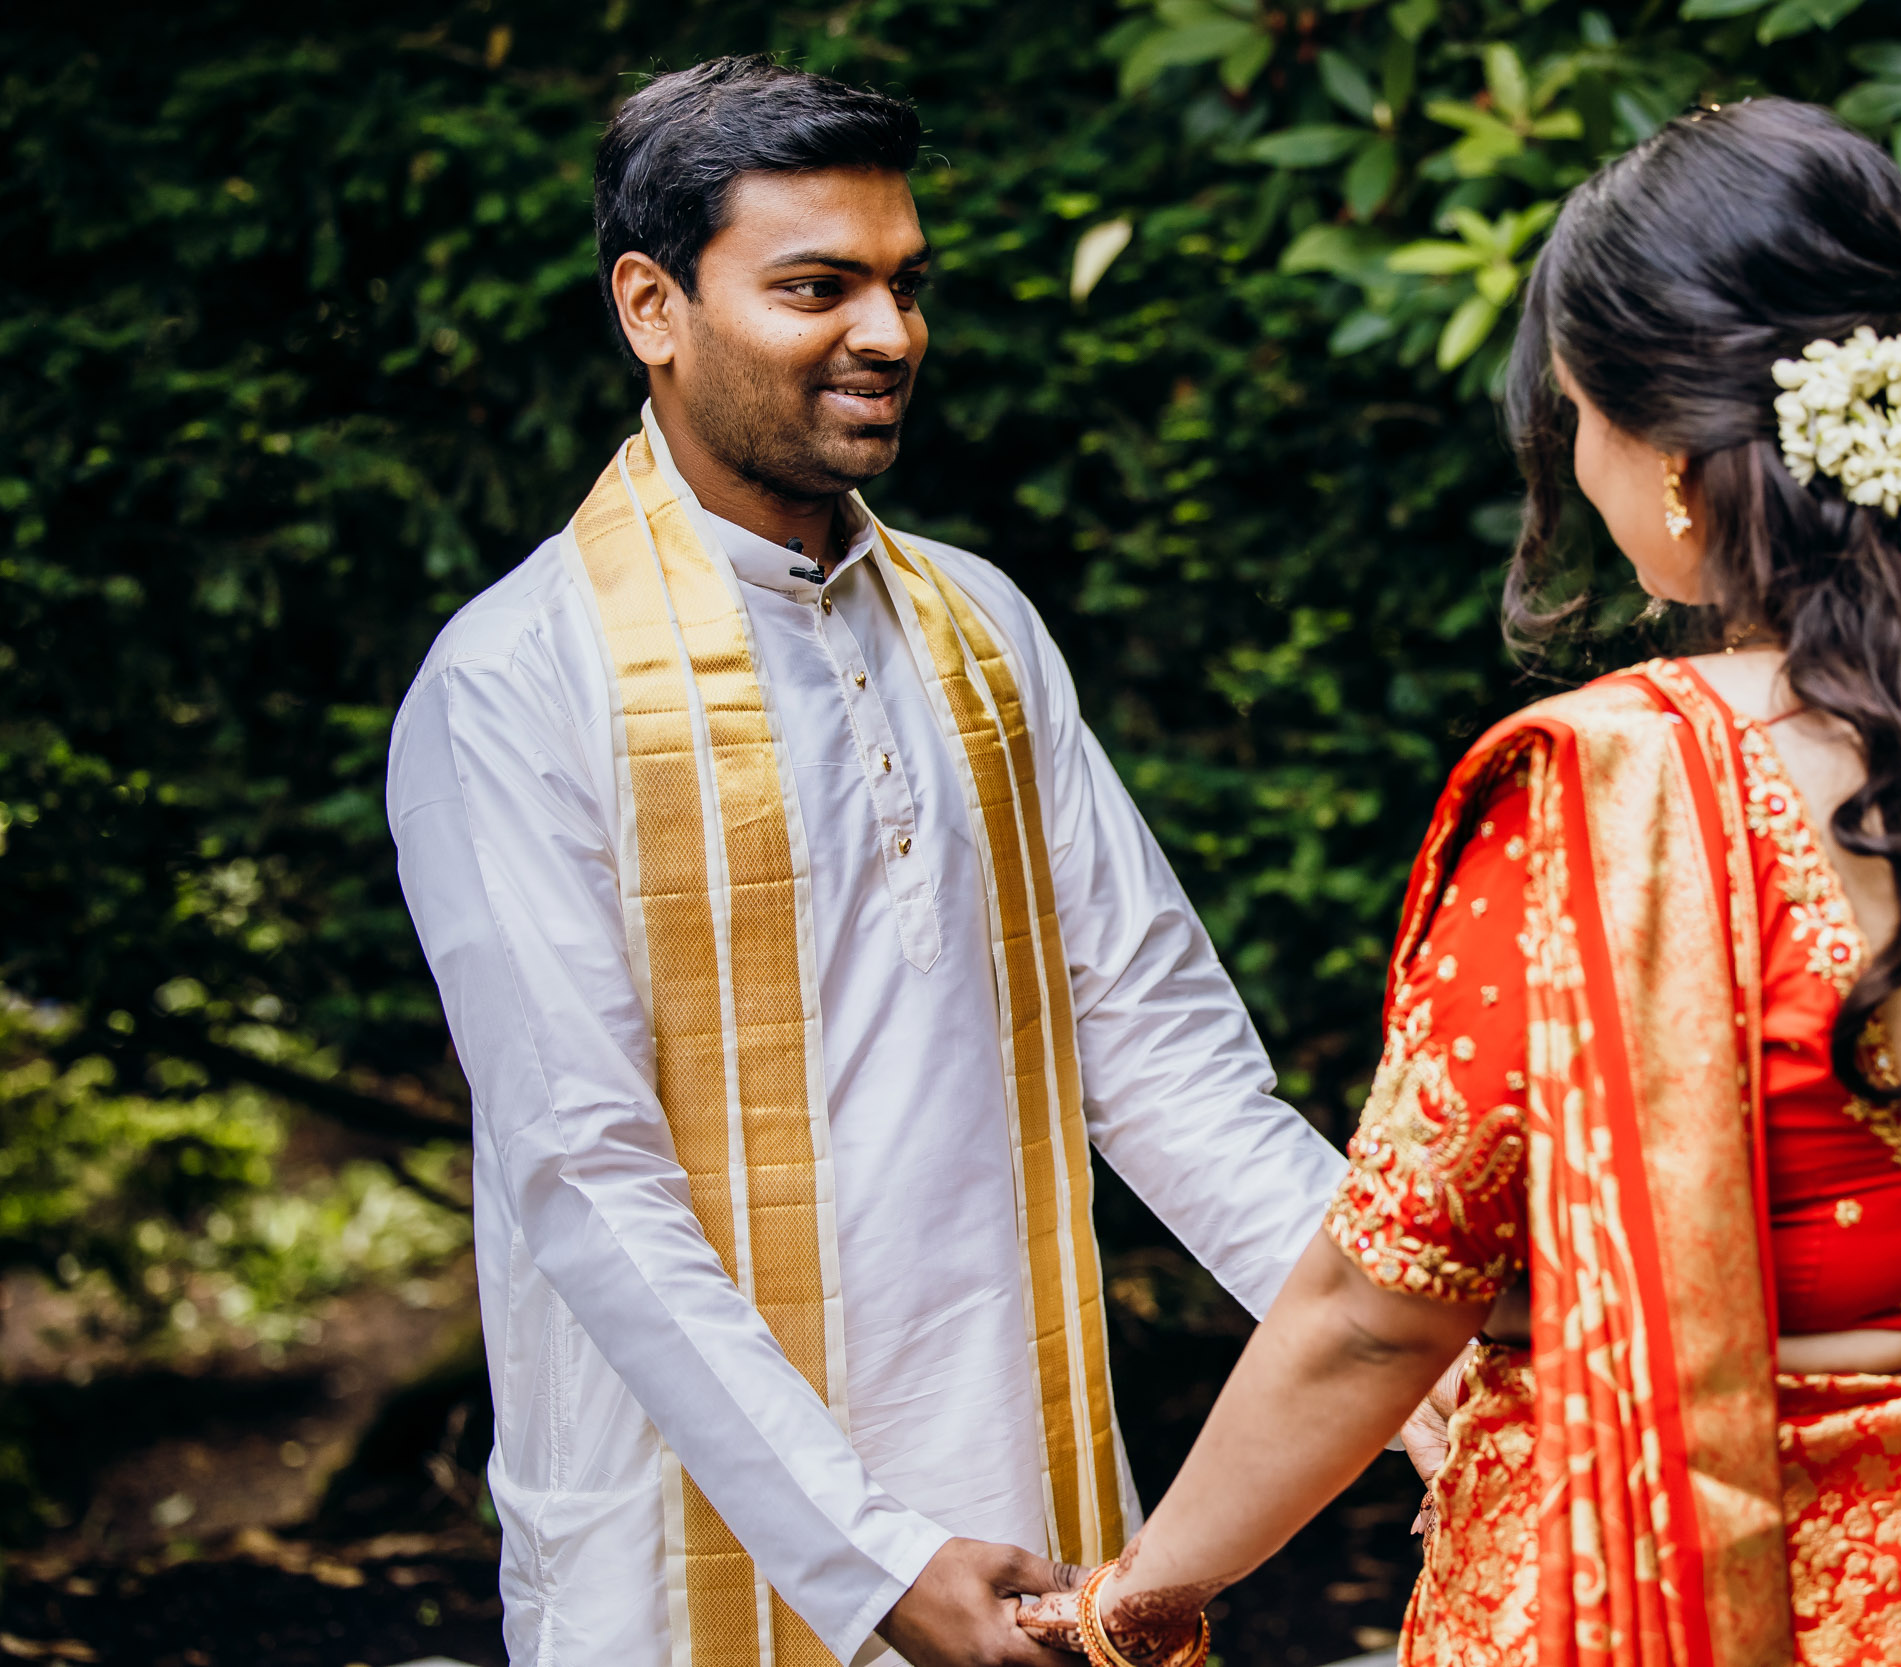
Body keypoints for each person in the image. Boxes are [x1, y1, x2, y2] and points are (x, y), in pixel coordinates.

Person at [1021, 99, 1901, 1667]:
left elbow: (1379, 1311)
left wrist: (1138, 1599)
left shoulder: (1617, 789)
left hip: (1695, 1600)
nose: (1575, 460)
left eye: (1580, 413)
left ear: (1668, 453)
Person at [384, 57, 1344, 1667]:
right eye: (817, 287)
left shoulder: (982, 628)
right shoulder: (512, 680)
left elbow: (1168, 1064)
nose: (889, 335)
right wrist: (875, 1558)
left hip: (1030, 1499)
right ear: (653, 306)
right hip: (687, 1554)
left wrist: (1426, 1368)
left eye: (905, 285)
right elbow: (587, 1173)